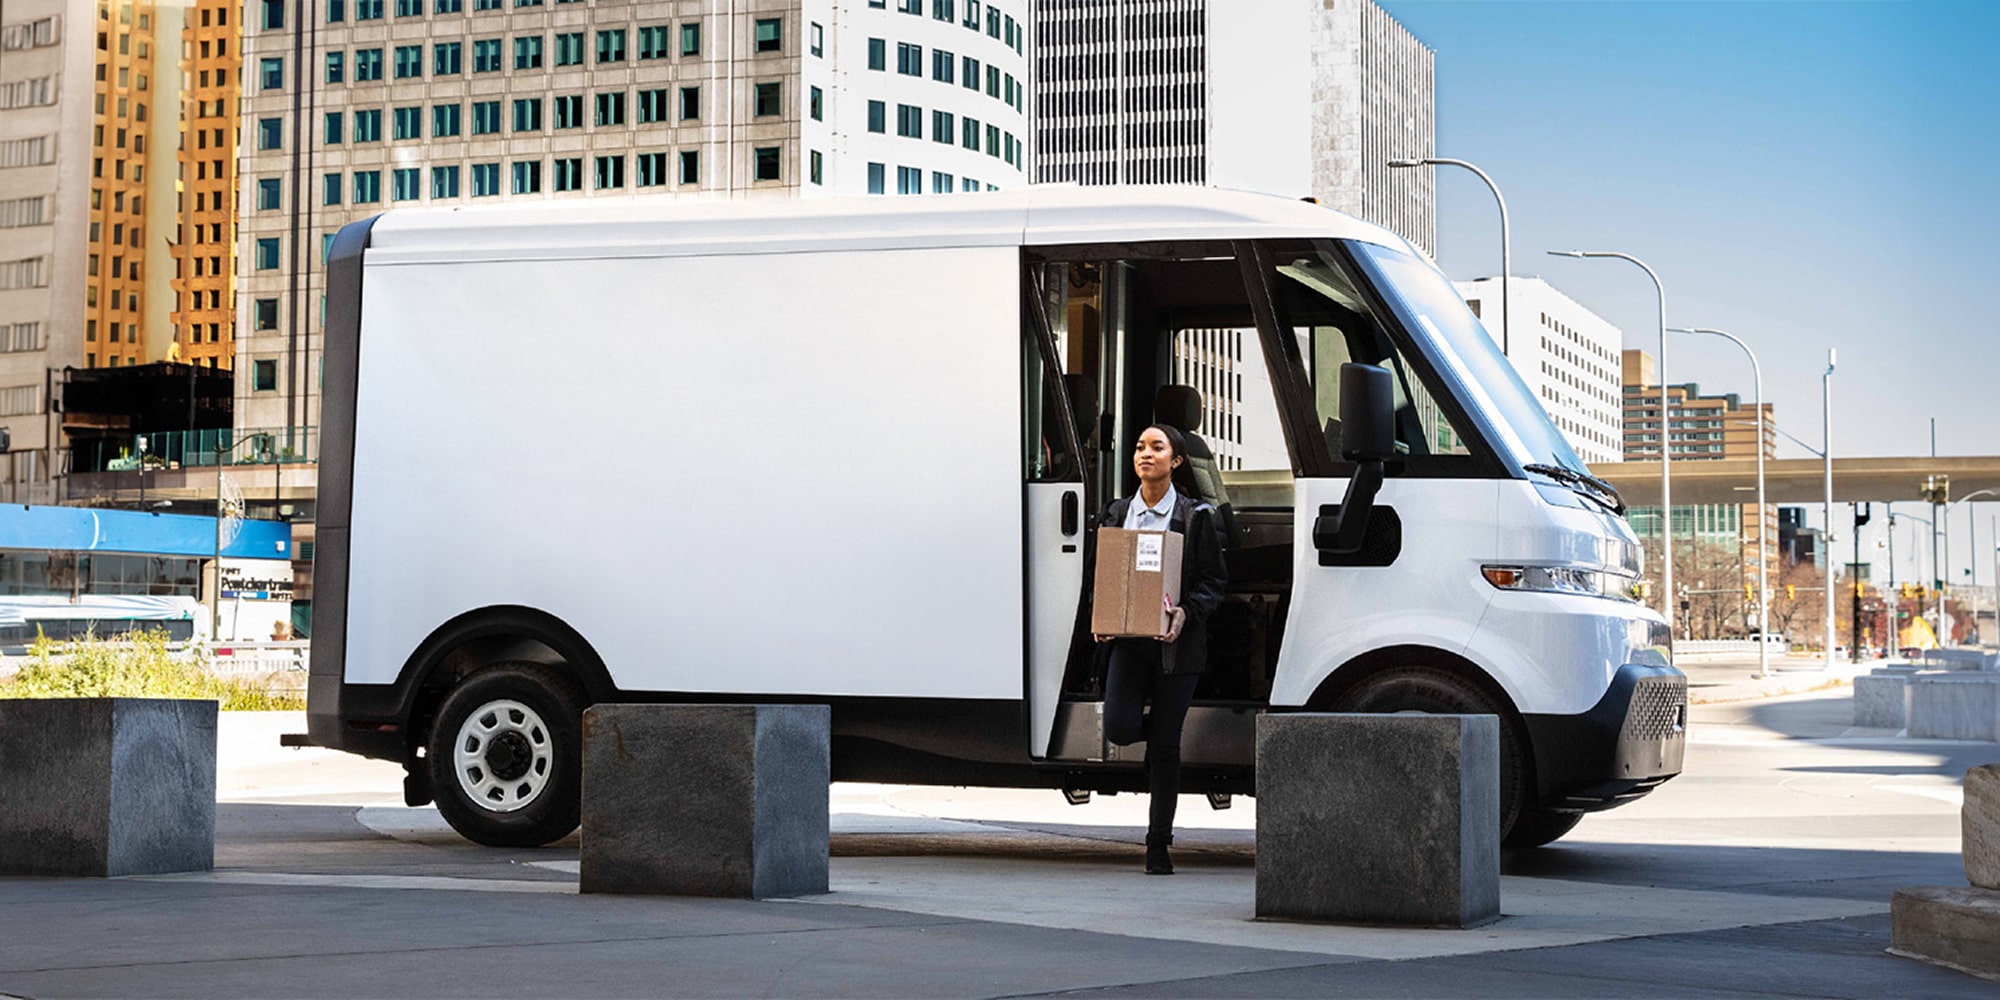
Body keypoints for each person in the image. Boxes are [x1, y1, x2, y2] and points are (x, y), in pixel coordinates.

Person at [1093, 424, 1229, 875]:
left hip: (1177, 648)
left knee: (1167, 748)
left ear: (1175, 462)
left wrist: (1187, 612)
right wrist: (1103, 617)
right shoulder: (1115, 513)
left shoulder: (1196, 516)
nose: (1145, 454)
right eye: (1139, 448)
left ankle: (1158, 845)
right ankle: (1162, 734)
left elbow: (1214, 583)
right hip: (1129, 645)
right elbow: (1103, 576)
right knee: (1118, 726)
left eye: (1157, 448)